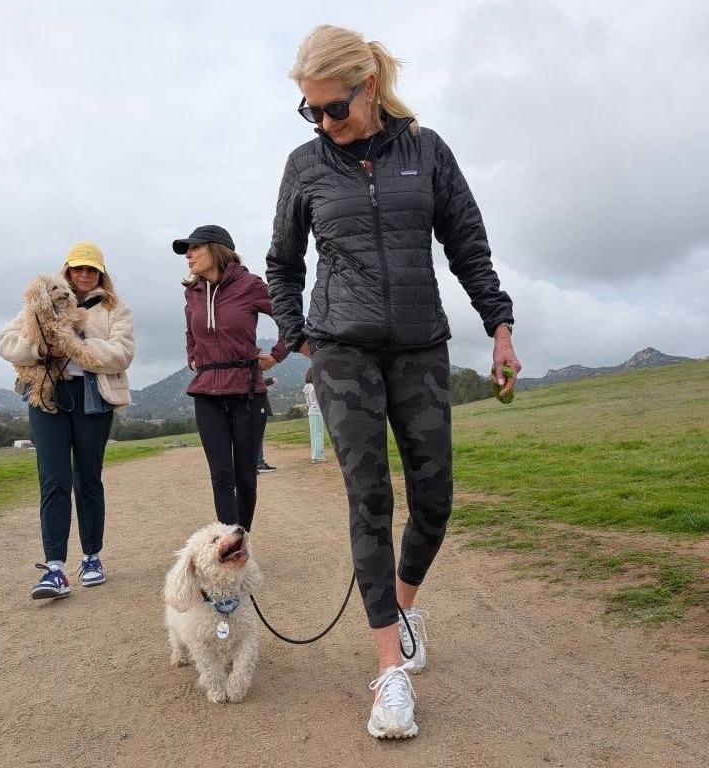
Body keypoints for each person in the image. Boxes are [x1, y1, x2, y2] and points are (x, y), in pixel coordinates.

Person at [266, 25, 521, 739]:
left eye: (334, 107)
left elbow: (468, 245)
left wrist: (499, 325)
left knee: (434, 498)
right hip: (341, 349)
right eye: (310, 110)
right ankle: (389, 671)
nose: (323, 122)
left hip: (419, 344)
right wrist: (302, 336)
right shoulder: (305, 166)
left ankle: (403, 607)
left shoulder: (427, 151)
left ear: (369, 87)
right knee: (370, 496)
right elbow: (282, 263)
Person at [0, 242, 135, 600]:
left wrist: (76, 344)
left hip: (93, 397)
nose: (84, 275)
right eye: (78, 268)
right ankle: (55, 568)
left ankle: (91, 558)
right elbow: (6, 342)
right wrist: (43, 348)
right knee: (53, 478)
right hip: (46, 395)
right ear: (68, 270)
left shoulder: (115, 309)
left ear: (101, 273)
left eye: (91, 269)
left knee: (87, 478)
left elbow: (123, 353)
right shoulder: (41, 302)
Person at [175, 224, 287, 531]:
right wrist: (192, 357)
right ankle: (229, 546)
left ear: (216, 250)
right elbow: (190, 332)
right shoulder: (193, 292)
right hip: (206, 393)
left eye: (195, 248)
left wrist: (277, 355)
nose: (188, 255)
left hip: (246, 391)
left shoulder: (250, 285)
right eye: (187, 250)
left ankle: (241, 540)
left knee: (245, 476)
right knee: (221, 476)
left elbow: (288, 315)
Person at [303, 368, 325, 463]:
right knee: (318, 434)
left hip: (311, 411)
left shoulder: (307, 387)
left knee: (314, 434)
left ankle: (316, 455)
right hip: (317, 411)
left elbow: (308, 402)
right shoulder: (314, 387)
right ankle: (317, 456)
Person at [257, 376, 278, 474]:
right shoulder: (252, 371)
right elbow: (257, 380)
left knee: (257, 437)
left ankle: (258, 462)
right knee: (258, 436)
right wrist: (270, 380)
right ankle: (259, 463)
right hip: (257, 407)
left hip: (258, 406)